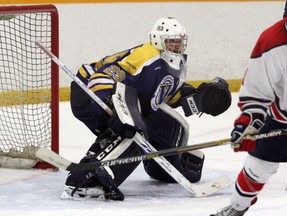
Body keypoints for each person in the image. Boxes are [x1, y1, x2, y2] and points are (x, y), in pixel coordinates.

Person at [62, 17, 231, 201]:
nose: (176, 45)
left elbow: (164, 95)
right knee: (133, 129)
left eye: (179, 41)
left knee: (171, 127)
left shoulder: (175, 63)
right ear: (158, 40)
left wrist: (199, 97)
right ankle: (86, 180)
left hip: (124, 98)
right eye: (171, 41)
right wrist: (115, 105)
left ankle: (166, 167)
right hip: (89, 94)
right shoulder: (146, 56)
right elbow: (101, 78)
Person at [210, 11, 287, 216]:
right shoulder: (272, 41)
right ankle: (237, 208)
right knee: (258, 167)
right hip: (282, 116)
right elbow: (256, 91)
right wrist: (248, 122)